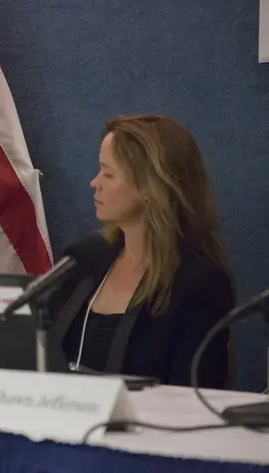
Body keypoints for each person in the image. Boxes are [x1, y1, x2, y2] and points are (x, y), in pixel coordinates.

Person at [47, 114, 234, 389]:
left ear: (150, 187)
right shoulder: (82, 259)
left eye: (108, 174)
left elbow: (194, 398)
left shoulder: (199, 284)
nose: (94, 182)